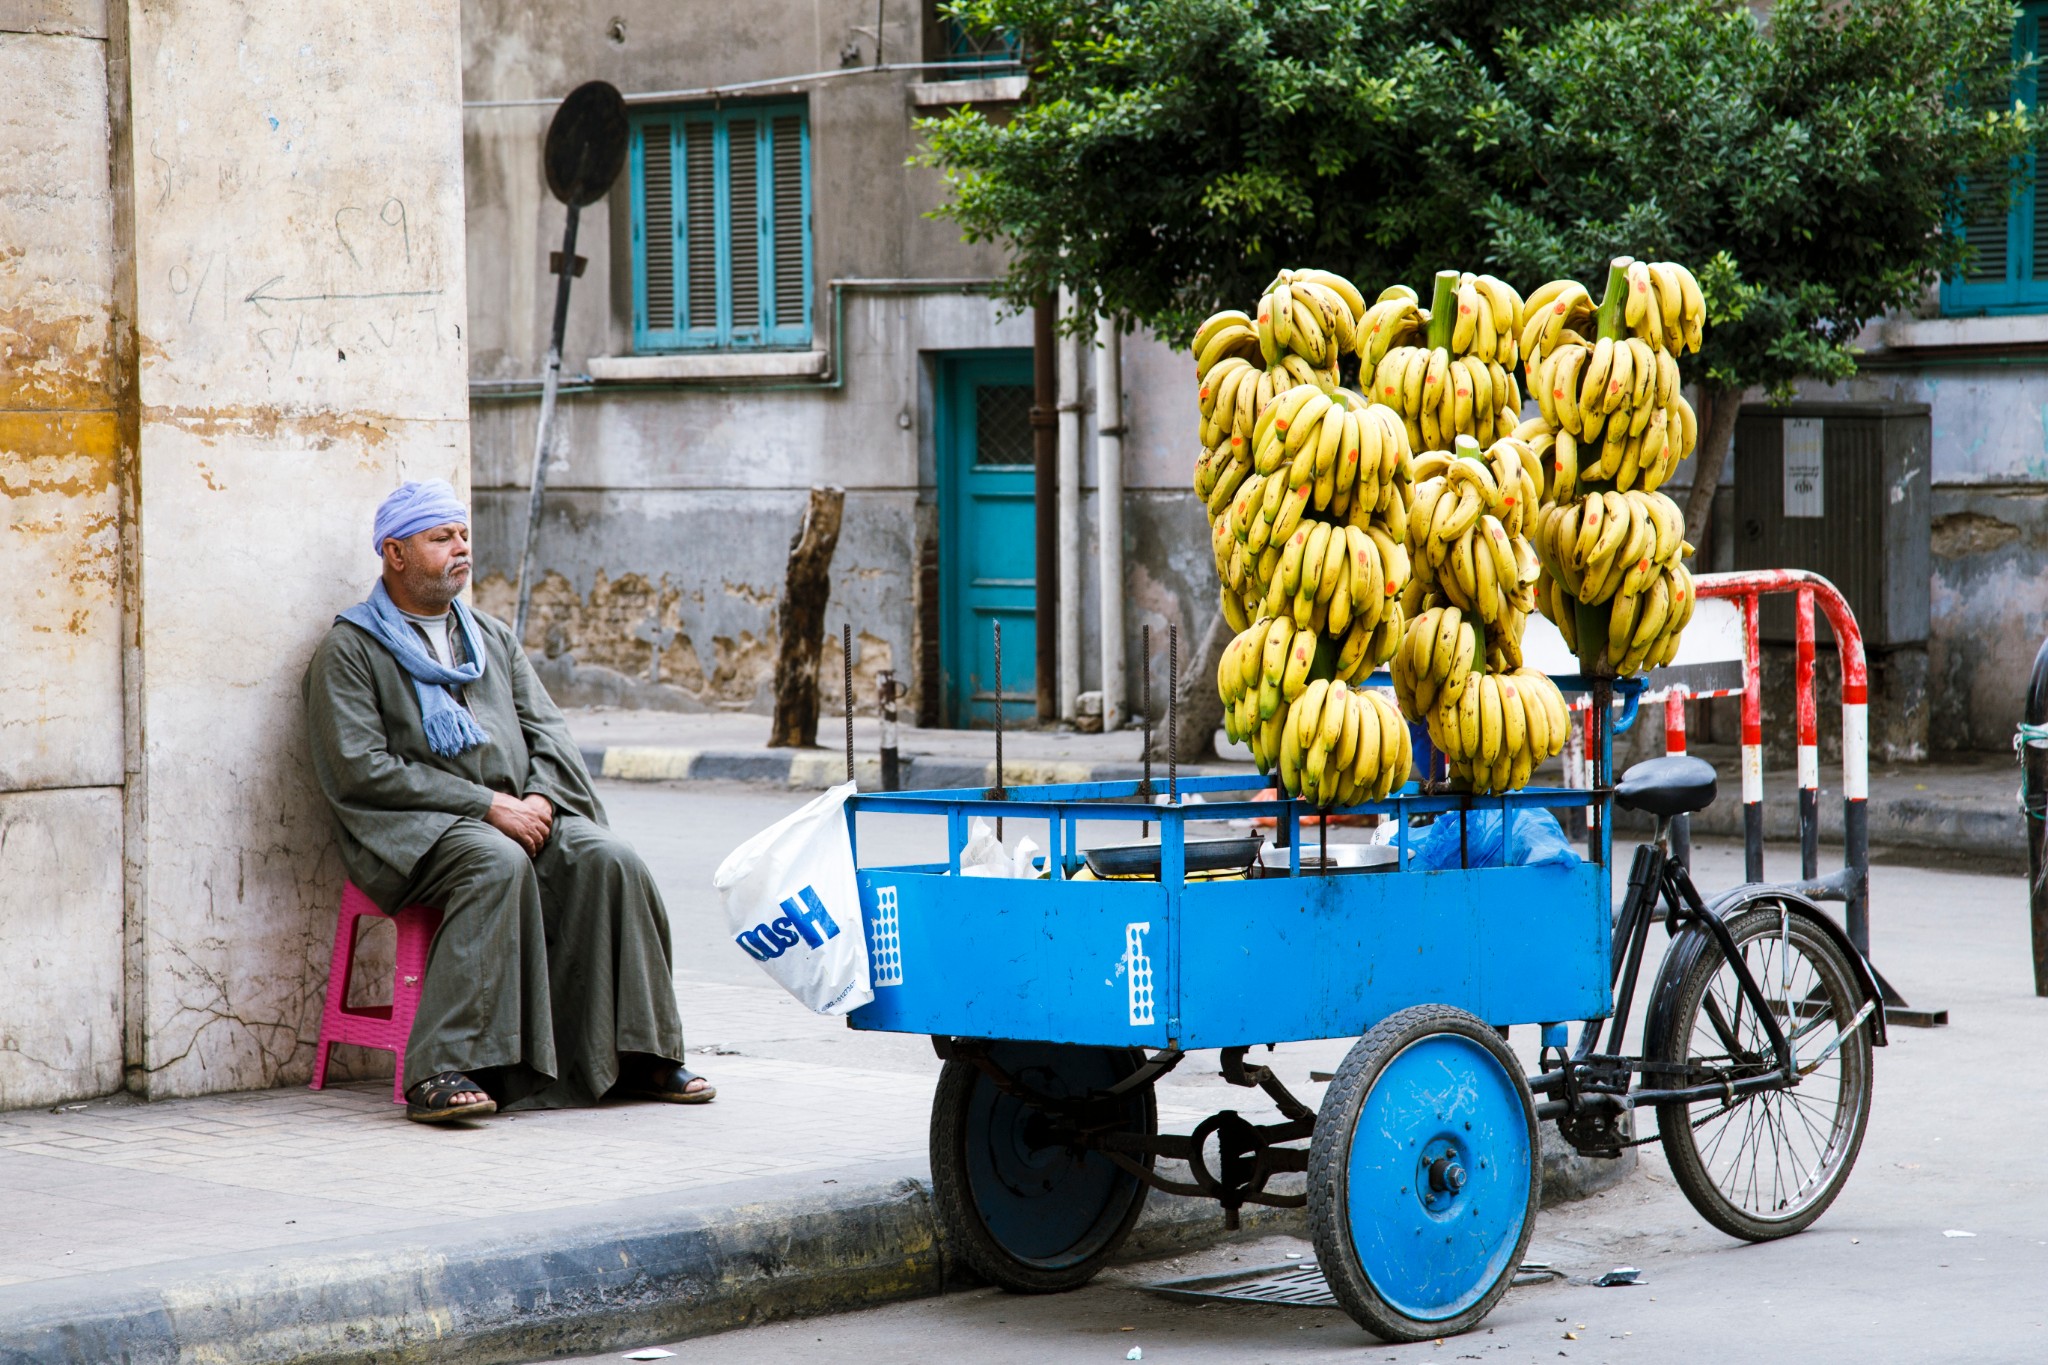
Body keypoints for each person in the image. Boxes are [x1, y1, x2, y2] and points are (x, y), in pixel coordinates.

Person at [302, 479, 714, 1122]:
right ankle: (443, 1066)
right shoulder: (350, 650)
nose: (460, 548)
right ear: (395, 553)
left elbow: (548, 730)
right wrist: (486, 806)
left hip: (520, 813)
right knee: (495, 862)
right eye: (441, 538)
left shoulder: (490, 637)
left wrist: (543, 798)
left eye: (463, 535)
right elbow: (361, 769)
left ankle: (637, 1053)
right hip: (415, 831)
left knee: (611, 858)